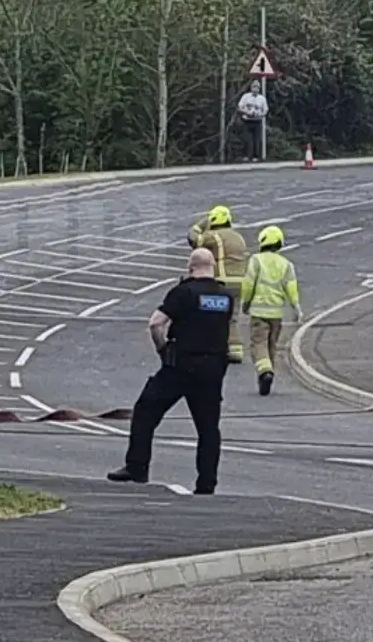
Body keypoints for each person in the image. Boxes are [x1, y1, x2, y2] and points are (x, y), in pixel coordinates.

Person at [107, 248, 234, 493]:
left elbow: (156, 323)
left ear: (190, 268)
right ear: (213, 267)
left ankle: (137, 467)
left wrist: (163, 350)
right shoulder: (225, 297)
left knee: (145, 411)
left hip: (180, 366)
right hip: (213, 368)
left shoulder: (183, 292)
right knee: (208, 428)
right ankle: (207, 484)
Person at [241, 225, 304, 396]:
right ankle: (268, 374)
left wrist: (245, 304)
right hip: (276, 314)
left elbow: (248, 284)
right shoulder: (286, 264)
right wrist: (296, 308)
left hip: (259, 311)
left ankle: (265, 372)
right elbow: (291, 287)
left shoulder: (256, 260)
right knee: (271, 345)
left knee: (258, 343)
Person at [187, 204, 248, 364]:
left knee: (213, 316)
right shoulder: (238, 236)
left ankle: (212, 348)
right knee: (233, 317)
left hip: (222, 281)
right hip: (241, 282)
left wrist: (200, 224)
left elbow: (193, 239)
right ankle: (236, 351)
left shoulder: (213, 236)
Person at [237, 81, 268, 161]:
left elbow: (265, 110)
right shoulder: (246, 96)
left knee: (256, 140)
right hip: (247, 120)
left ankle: (256, 156)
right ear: (251, 88)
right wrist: (246, 112)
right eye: (254, 87)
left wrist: (260, 115)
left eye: (257, 87)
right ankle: (247, 155)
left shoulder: (262, 98)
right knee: (247, 139)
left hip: (257, 121)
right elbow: (240, 107)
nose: (255, 89)